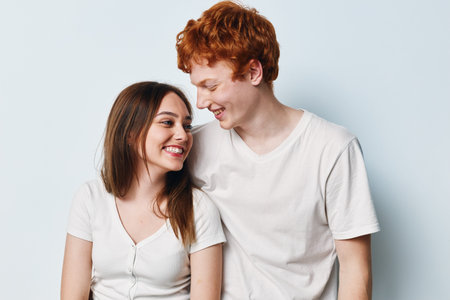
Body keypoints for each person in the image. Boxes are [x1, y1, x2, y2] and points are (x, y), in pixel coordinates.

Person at [176, 1, 380, 299]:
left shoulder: (332, 148)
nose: (200, 102)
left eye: (211, 86)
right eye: (197, 87)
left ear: (253, 72)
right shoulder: (195, 145)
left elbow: (356, 271)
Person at [61, 81, 225, 300]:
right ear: (130, 133)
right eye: (167, 122)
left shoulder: (199, 209)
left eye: (186, 125)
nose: (183, 135)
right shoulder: (90, 198)